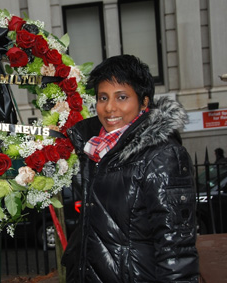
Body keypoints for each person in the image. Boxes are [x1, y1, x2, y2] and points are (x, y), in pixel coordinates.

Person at [61, 54, 199, 282]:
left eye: (122, 97)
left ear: (144, 101)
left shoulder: (162, 155)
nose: (109, 108)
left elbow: (176, 249)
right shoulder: (94, 149)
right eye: (102, 98)